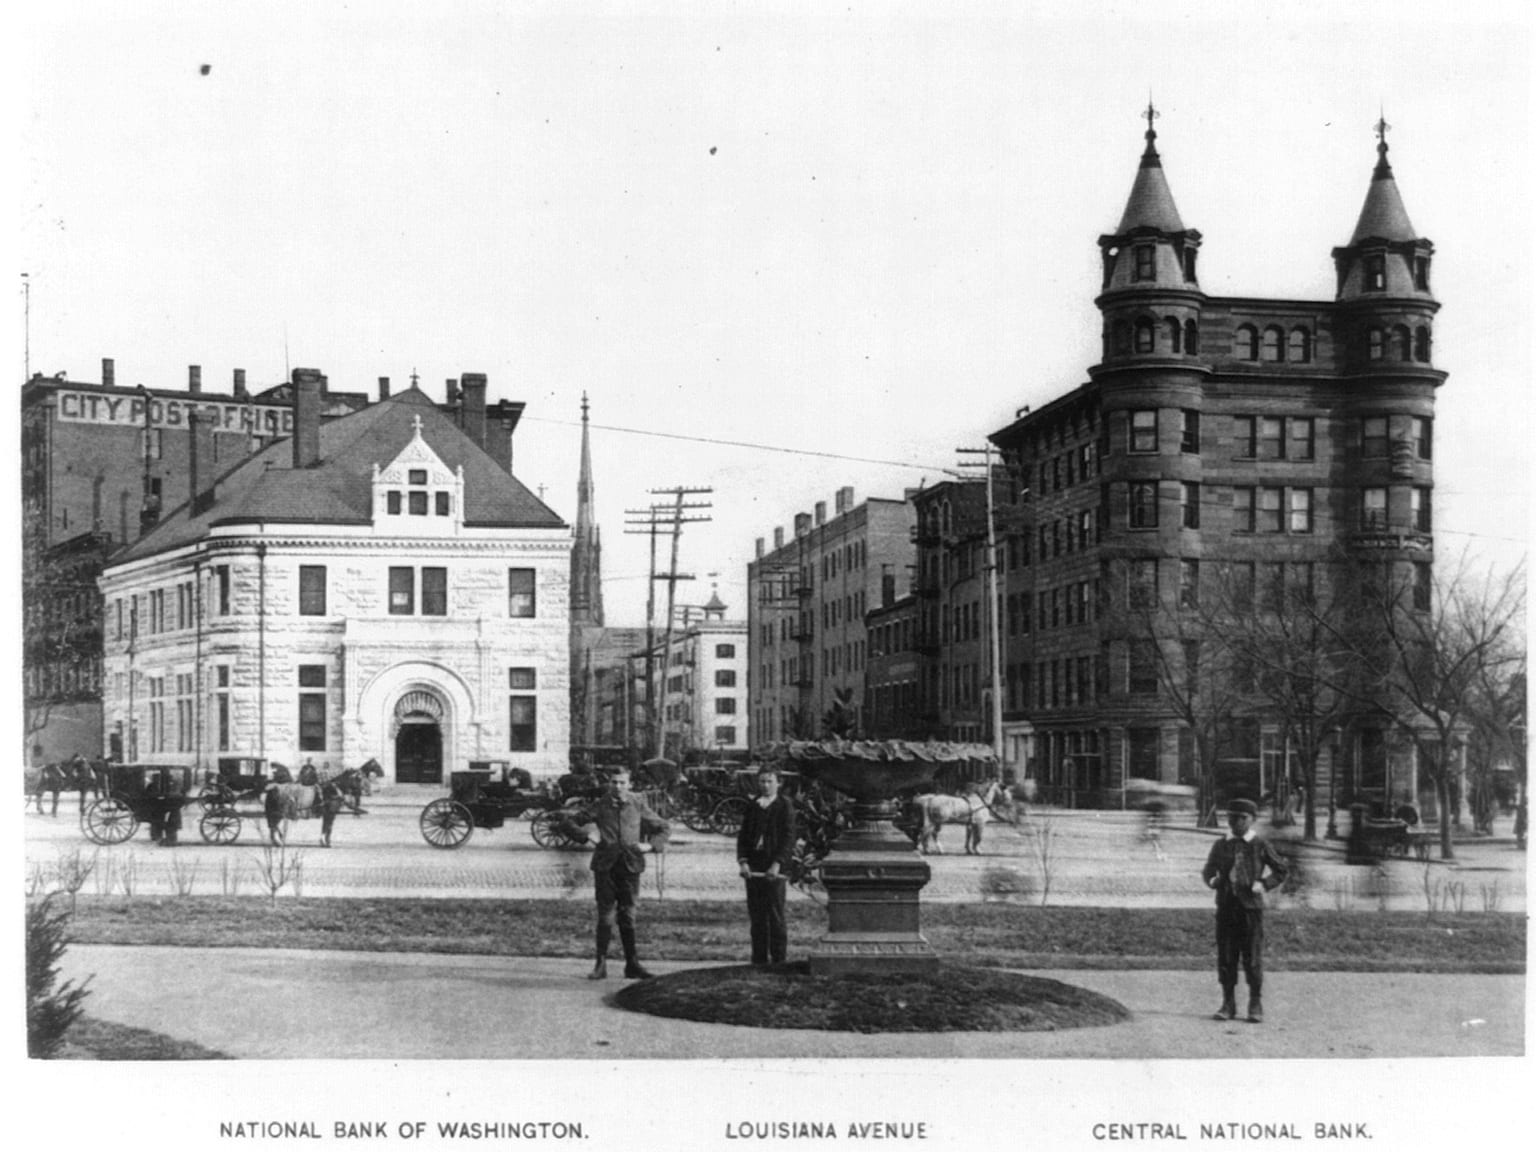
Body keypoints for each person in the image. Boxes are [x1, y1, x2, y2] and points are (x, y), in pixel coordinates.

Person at [1201, 798, 1289, 1023]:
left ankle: (1255, 1002)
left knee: (1252, 957)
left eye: (1243, 818)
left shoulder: (1259, 845)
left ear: (1252, 820)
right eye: (1232, 817)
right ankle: (1228, 1003)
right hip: (1227, 908)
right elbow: (1208, 870)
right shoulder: (1221, 845)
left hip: (1250, 910)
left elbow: (1281, 869)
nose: (1237, 822)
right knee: (1227, 957)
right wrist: (1213, 881)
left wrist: (1264, 884)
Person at [586, 768, 670, 980]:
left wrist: (650, 846)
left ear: (629, 784)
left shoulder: (638, 803)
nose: (618, 787)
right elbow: (568, 822)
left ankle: (632, 964)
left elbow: (663, 827)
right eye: (614, 782)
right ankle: (600, 964)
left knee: (628, 915)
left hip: (630, 867)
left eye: (622, 782)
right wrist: (587, 834)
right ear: (609, 783)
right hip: (605, 868)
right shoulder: (600, 804)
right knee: (605, 916)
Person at [736, 766, 797, 966]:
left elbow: (788, 839)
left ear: (778, 783)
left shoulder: (784, 805)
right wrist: (743, 861)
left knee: (775, 914)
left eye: (770, 781)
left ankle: (779, 960)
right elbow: (743, 836)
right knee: (757, 915)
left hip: (774, 866)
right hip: (755, 866)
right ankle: (759, 960)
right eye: (762, 781)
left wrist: (778, 863)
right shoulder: (753, 805)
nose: (765, 785)